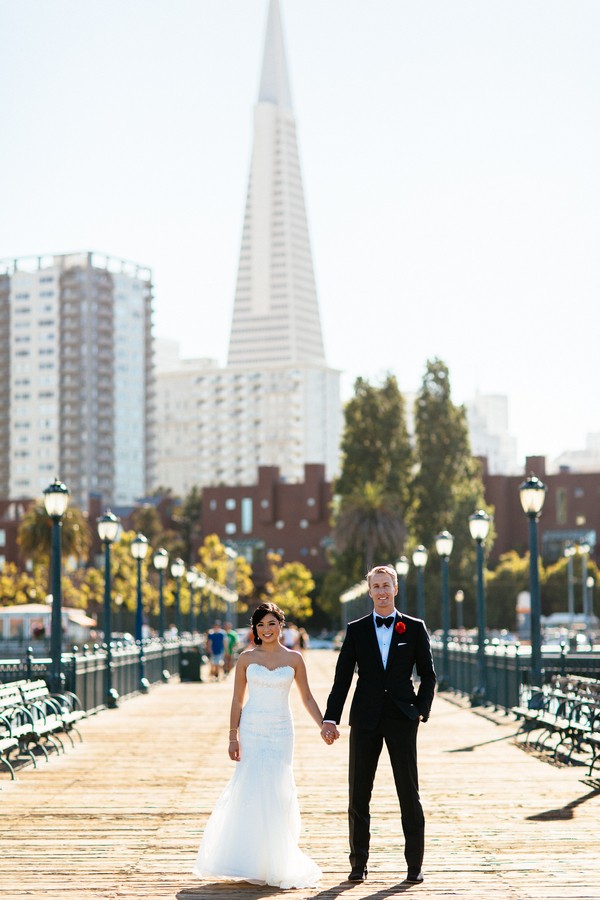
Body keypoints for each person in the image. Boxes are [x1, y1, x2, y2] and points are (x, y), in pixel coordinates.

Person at [193, 602, 327, 889]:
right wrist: (233, 736)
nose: (267, 629)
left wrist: (324, 724)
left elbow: (307, 698)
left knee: (278, 788)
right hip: (252, 728)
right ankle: (251, 858)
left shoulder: (294, 659)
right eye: (261, 624)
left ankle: (277, 859)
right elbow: (237, 700)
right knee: (252, 786)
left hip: (281, 730)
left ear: (281, 625)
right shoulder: (245, 659)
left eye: (272, 623)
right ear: (255, 628)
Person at [321, 564, 436, 886]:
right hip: (365, 719)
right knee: (358, 794)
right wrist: (331, 717)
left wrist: (420, 710)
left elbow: (428, 674)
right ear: (369, 591)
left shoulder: (414, 628)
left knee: (408, 793)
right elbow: (342, 678)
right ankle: (358, 864)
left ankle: (414, 866)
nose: (382, 592)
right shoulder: (356, 629)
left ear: (395, 589)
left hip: (402, 718)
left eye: (387, 585)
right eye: (376, 587)